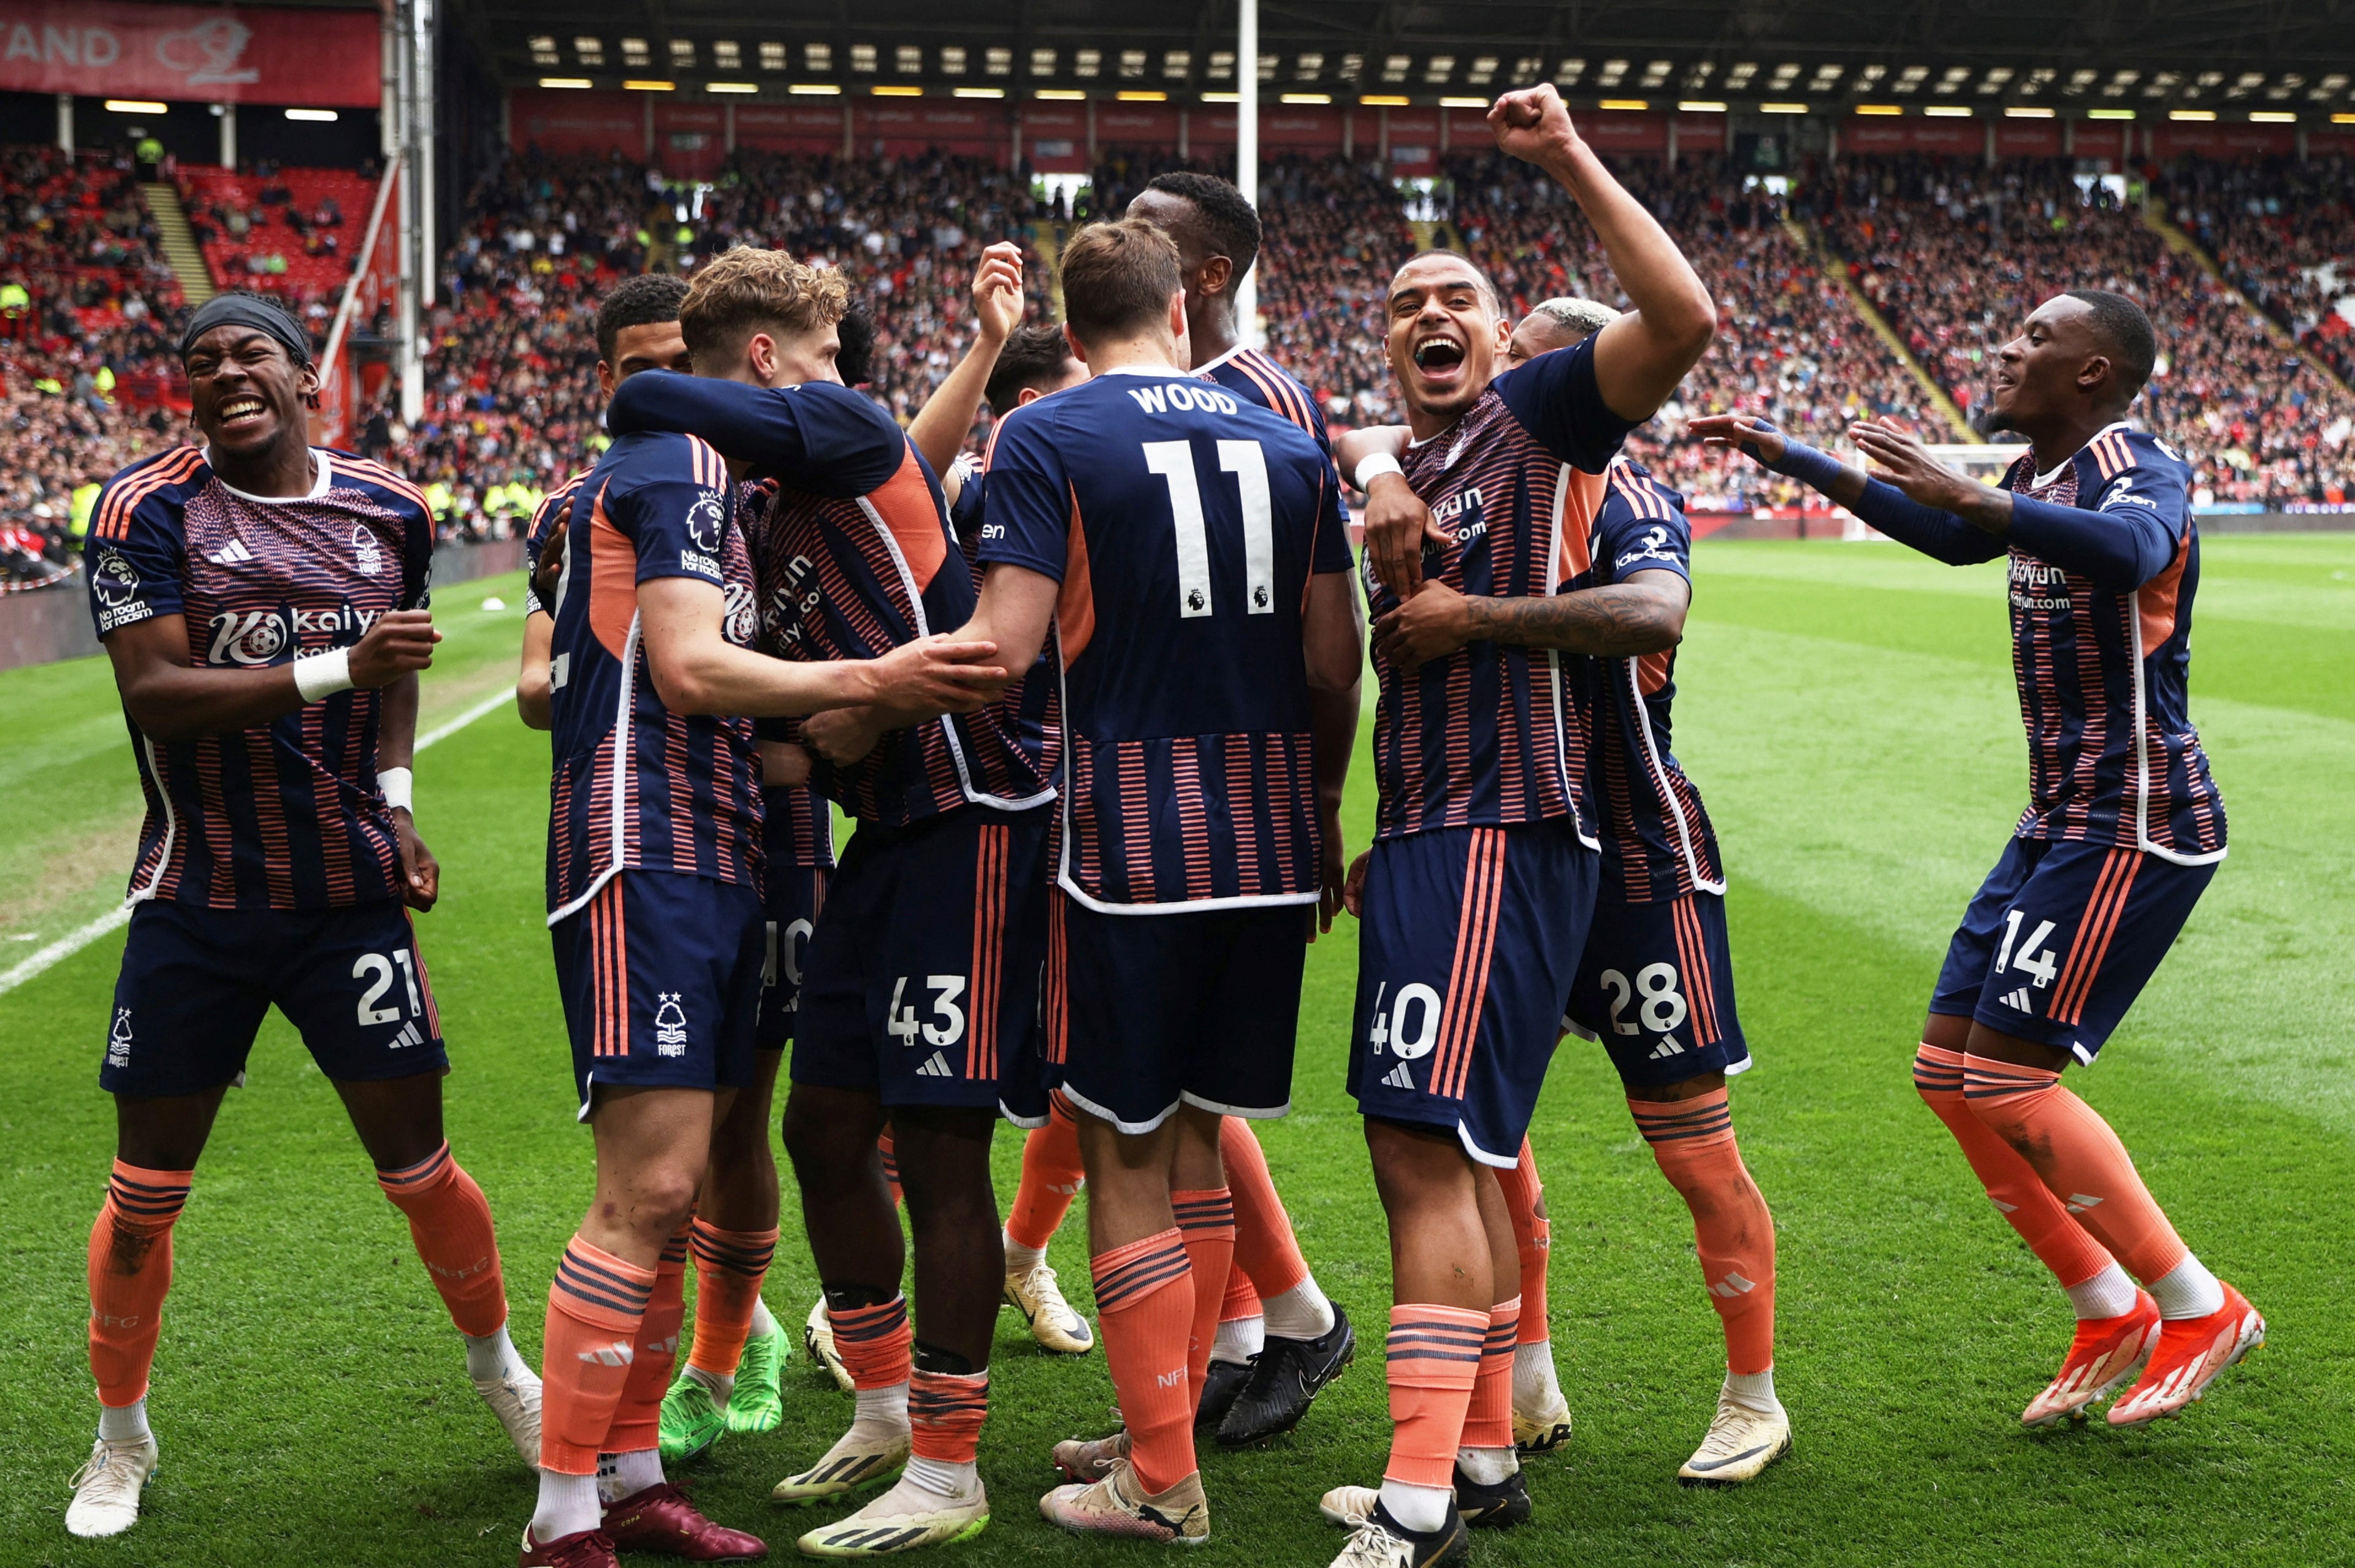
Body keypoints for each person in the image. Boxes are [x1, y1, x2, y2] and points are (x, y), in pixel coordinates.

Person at [1690, 288, 2261, 1431]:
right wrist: (1795, 456)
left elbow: (2141, 546)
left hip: (2133, 815)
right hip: (2057, 815)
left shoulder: (2133, 462)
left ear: (2092, 370)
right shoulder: (2038, 482)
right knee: (1946, 1073)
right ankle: (2105, 1301)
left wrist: (1971, 494)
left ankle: (2197, 1305)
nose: (2006, 347)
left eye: (2034, 337)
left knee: (2007, 1077)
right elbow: (1958, 534)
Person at [523, 256, 1007, 1567]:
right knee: (734, 1154)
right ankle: (583, 1509)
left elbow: (879, 453)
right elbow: (703, 679)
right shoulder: (699, 478)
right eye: (830, 346)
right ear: (770, 362)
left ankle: (925, 1456)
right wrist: (874, 684)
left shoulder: (809, 447)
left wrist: (859, 699)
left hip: (948, 817)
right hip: (683, 836)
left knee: (910, 1139)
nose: (852, 369)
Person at [67, 292, 541, 1540]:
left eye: (250, 355)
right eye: (201, 363)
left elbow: (399, 670)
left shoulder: (389, 506)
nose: (226, 375)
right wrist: (339, 665)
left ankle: (503, 1375)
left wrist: (397, 804)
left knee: (422, 1167)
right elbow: (161, 693)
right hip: (199, 892)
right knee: (145, 1191)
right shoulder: (142, 509)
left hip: (346, 895)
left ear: (305, 379)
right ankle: (120, 1438)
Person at [1325, 84, 1715, 1568]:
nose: (1434, 312)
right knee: (1451, 1152)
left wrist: (1561, 158)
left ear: (1499, 338)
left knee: (1421, 1146)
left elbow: (1679, 317)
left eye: (1460, 298)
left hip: (1506, 826)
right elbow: (1333, 424)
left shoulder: (1533, 418)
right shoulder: (1398, 465)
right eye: (1407, 302)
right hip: (1435, 836)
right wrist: (1369, 464)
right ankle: (1474, 1459)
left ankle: (1417, 1503)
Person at [950, 216, 1364, 1543]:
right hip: (1261, 846)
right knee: (1195, 1149)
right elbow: (1330, 663)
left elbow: (1003, 650)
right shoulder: (1294, 445)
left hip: (1125, 842)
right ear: (1180, 314)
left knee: (1124, 1152)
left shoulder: (1045, 434)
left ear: (1070, 334)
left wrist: (857, 692)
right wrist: (1311, 812)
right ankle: (1158, 1431)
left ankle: (1161, 1486)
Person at [1354, 299, 1792, 1486]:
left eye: (1544, 372)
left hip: (1633, 854)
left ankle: (1753, 1393)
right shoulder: (1471, 488)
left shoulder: (1627, 493)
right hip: (1510, 840)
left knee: (1693, 1147)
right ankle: (1519, 1383)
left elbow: (1652, 613)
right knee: (1489, 1137)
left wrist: (1474, 622)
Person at [511, 271, 813, 1467]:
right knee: (656, 1176)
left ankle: (711, 1372)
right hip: (655, 829)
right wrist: (878, 689)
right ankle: (588, 1486)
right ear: (607, 383)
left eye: (679, 365)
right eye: (641, 371)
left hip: (757, 839)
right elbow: (584, 670)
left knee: (743, 1131)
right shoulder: (618, 491)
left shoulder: (761, 493)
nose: (667, 391)